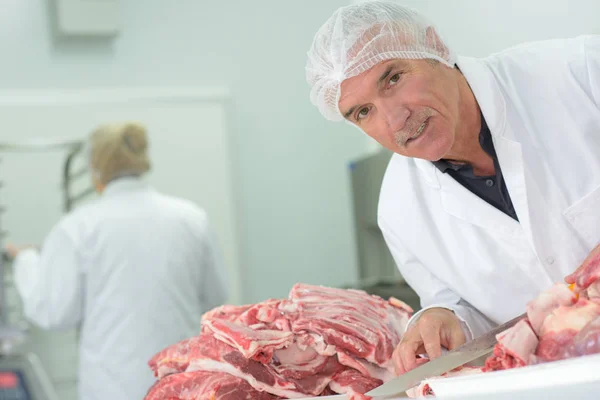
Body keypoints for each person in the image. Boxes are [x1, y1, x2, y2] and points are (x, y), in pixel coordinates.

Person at [305, 1, 600, 375]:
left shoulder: (582, 74)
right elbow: (465, 305)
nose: (395, 119)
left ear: (436, 47)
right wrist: (445, 317)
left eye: (393, 78)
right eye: (363, 112)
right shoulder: (399, 208)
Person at [5, 122, 228, 400]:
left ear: (95, 167)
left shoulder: (79, 227)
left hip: (113, 390)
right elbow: (216, 303)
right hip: (183, 385)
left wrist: (26, 260)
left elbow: (52, 312)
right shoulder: (191, 219)